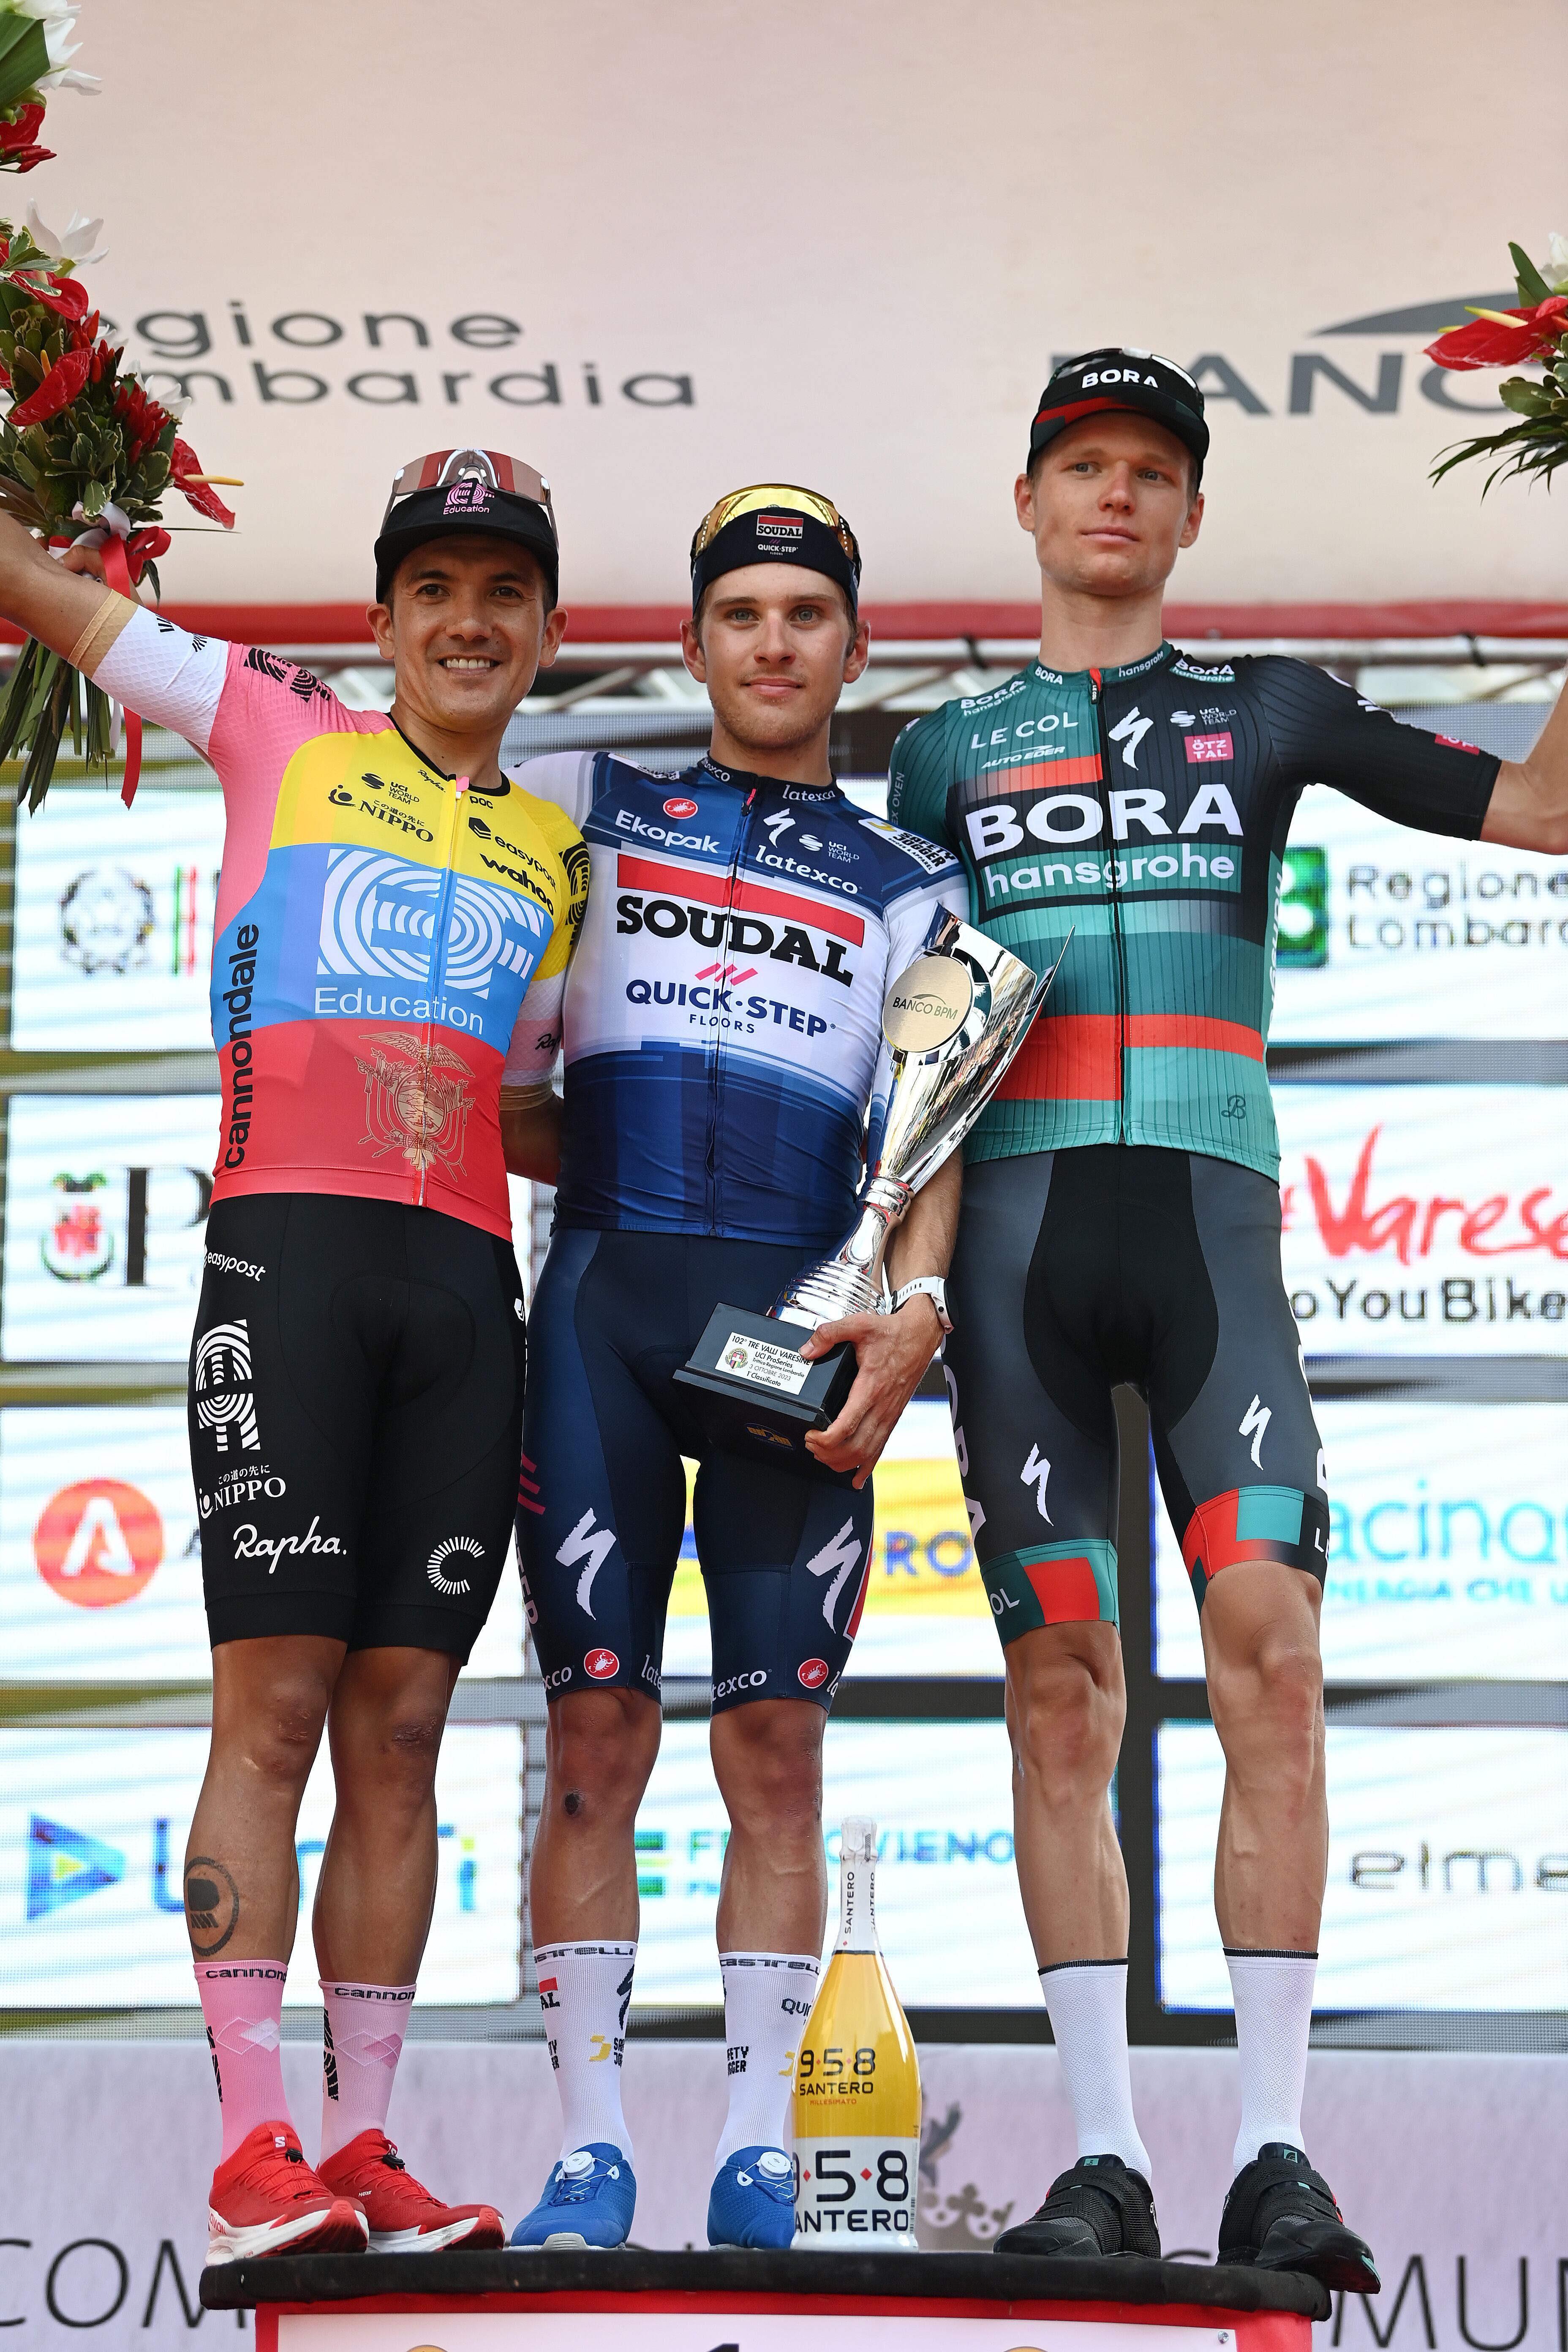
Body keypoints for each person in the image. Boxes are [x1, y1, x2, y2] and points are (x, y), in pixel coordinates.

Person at [886, 350, 1568, 2285]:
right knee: (1057, 1692)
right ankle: (1103, 2156)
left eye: (1150, 471)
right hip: (1013, 1252)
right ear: (1027, 503)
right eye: (1082, 466)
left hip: (1208, 1239)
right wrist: (903, 1284)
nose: (1114, 495)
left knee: (1270, 1664)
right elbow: (912, 1048)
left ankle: (1276, 2146)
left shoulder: (1267, 708)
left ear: (1192, 515)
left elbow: (1541, 808)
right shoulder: (939, 755)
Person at [0, 446, 588, 2261]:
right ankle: (251, 2145)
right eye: (436, 590)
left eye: (504, 593)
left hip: (463, 1288)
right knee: (268, 1712)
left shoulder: (558, 854)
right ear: (383, 619)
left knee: (403, 1730)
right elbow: (45, 593)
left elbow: (525, 1108)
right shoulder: (275, 723)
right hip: (291, 1262)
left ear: (548, 629)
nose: (469, 622)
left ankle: (363, 2145)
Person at [500, 484, 968, 2251]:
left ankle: (760, 2149)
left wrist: (913, 1314)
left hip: (799, 1330)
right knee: (593, 1733)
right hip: (606, 1312)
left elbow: (929, 1143)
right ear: (693, 643)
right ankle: (589, 2150)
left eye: (807, 615)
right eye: (743, 615)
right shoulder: (585, 809)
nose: (775, 644)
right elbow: (508, 1085)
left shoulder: (914, 884)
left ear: (856, 647)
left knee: (776, 1748)